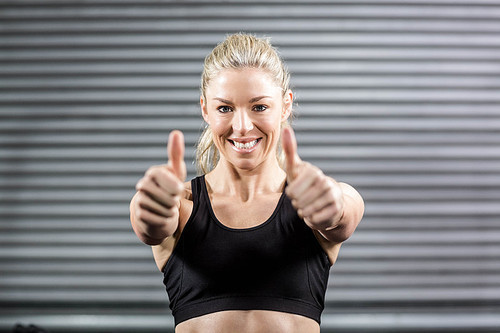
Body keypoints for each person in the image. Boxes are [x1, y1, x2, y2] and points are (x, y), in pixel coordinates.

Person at [130, 33, 364, 333]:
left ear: (286, 105)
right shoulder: (180, 205)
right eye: (224, 108)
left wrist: (331, 208)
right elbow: (149, 224)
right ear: (205, 109)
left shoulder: (315, 199)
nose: (242, 127)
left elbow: (343, 211)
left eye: (259, 107)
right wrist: (148, 209)